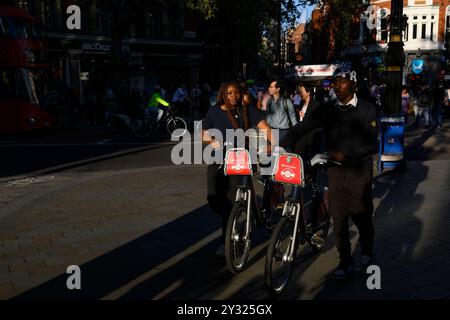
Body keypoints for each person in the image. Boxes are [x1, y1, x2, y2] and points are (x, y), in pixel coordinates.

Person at [281, 66, 378, 280]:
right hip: (334, 170)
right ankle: (345, 260)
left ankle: (368, 246)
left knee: (360, 213)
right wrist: (284, 142)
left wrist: (348, 155)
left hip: (359, 170)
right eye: (335, 82)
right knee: (339, 216)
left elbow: (371, 143)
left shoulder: (367, 109)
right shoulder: (328, 109)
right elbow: (304, 126)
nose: (337, 86)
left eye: (342, 81)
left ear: (353, 84)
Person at [202, 81, 273, 256]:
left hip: (239, 161)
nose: (234, 96)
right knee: (213, 199)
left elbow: (265, 128)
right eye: (230, 93)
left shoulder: (246, 110)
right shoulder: (215, 111)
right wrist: (212, 141)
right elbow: (203, 132)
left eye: (237, 93)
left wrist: (272, 144)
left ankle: (227, 239)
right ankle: (239, 216)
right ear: (224, 94)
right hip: (218, 162)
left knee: (230, 203)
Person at [293, 83, 322, 162]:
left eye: (302, 92)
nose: (300, 94)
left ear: (308, 92)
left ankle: (311, 173)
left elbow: (316, 121)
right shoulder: (301, 103)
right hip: (302, 133)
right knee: (297, 152)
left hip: (311, 135)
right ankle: (300, 170)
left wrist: (304, 115)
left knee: (312, 157)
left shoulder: (315, 104)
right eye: (299, 92)